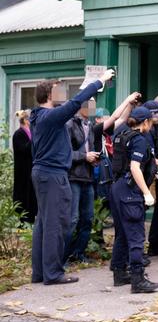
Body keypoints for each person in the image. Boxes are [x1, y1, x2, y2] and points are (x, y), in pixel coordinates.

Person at [30, 69, 114, 285]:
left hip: (44, 173)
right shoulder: (50, 116)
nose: (63, 94)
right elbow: (76, 102)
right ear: (49, 95)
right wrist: (99, 82)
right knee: (56, 224)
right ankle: (53, 273)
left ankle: (40, 272)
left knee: (44, 223)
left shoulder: (39, 116)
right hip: (53, 174)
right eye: (59, 91)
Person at [109, 106, 158, 293]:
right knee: (136, 235)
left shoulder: (120, 134)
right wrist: (146, 192)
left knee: (122, 234)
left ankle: (119, 273)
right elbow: (134, 167)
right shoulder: (139, 140)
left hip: (117, 188)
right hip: (130, 190)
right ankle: (138, 279)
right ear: (146, 122)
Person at [64, 100, 99, 263]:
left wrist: (93, 159)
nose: (92, 108)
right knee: (72, 219)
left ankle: (78, 253)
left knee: (88, 218)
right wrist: (84, 156)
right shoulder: (69, 124)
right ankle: (62, 257)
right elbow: (65, 154)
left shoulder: (90, 126)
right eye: (89, 105)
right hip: (73, 177)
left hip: (88, 176)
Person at [12, 110, 37, 223]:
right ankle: (22, 222)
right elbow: (25, 149)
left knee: (31, 196)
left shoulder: (29, 133)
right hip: (22, 172)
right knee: (22, 196)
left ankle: (30, 220)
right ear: (26, 121)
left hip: (31, 171)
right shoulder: (19, 134)